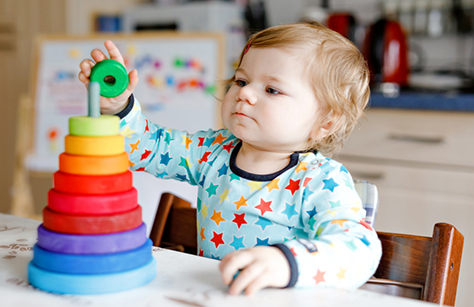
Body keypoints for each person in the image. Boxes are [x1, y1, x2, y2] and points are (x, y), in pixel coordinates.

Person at [78, 22, 382, 296]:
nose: (245, 93)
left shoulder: (322, 181)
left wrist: (288, 263)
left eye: (272, 89)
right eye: (240, 80)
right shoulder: (213, 152)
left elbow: (360, 248)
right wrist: (118, 107)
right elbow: (145, 147)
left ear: (326, 122)